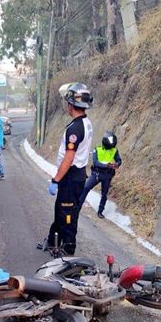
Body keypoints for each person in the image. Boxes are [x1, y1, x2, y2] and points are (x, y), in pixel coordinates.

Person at [38, 82, 93, 255]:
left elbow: (69, 158)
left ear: (71, 105)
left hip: (71, 176)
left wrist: (56, 180)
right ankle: (54, 240)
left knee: (67, 214)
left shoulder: (75, 128)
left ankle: (69, 250)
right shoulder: (86, 123)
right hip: (77, 175)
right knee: (62, 210)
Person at [78, 131, 122, 218]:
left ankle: (100, 211)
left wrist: (116, 164)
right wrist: (107, 165)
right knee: (86, 187)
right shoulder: (97, 149)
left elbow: (119, 160)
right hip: (97, 174)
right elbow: (95, 162)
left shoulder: (114, 150)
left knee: (104, 194)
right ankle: (78, 206)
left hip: (107, 175)